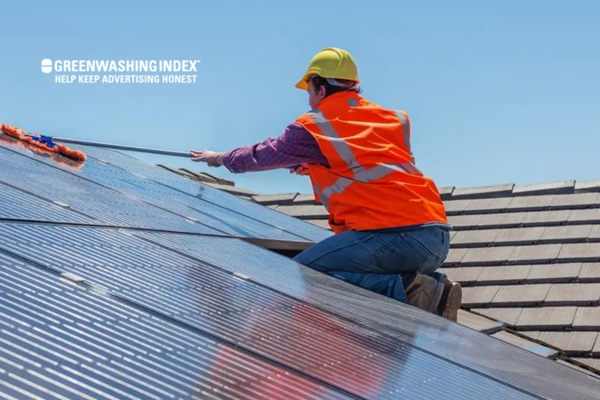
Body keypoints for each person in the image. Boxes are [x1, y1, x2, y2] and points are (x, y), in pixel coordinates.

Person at [190, 47, 462, 321]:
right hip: (436, 238)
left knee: (302, 275)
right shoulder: (386, 118)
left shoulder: (314, 125)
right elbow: (368, 165)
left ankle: (407, 290)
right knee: (329, 269)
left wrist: (223, 158)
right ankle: (433, 287)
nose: (309, 101)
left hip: (394, 239)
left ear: (320, 87)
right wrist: (312, 166)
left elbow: (267, 154)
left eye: (309, 90)